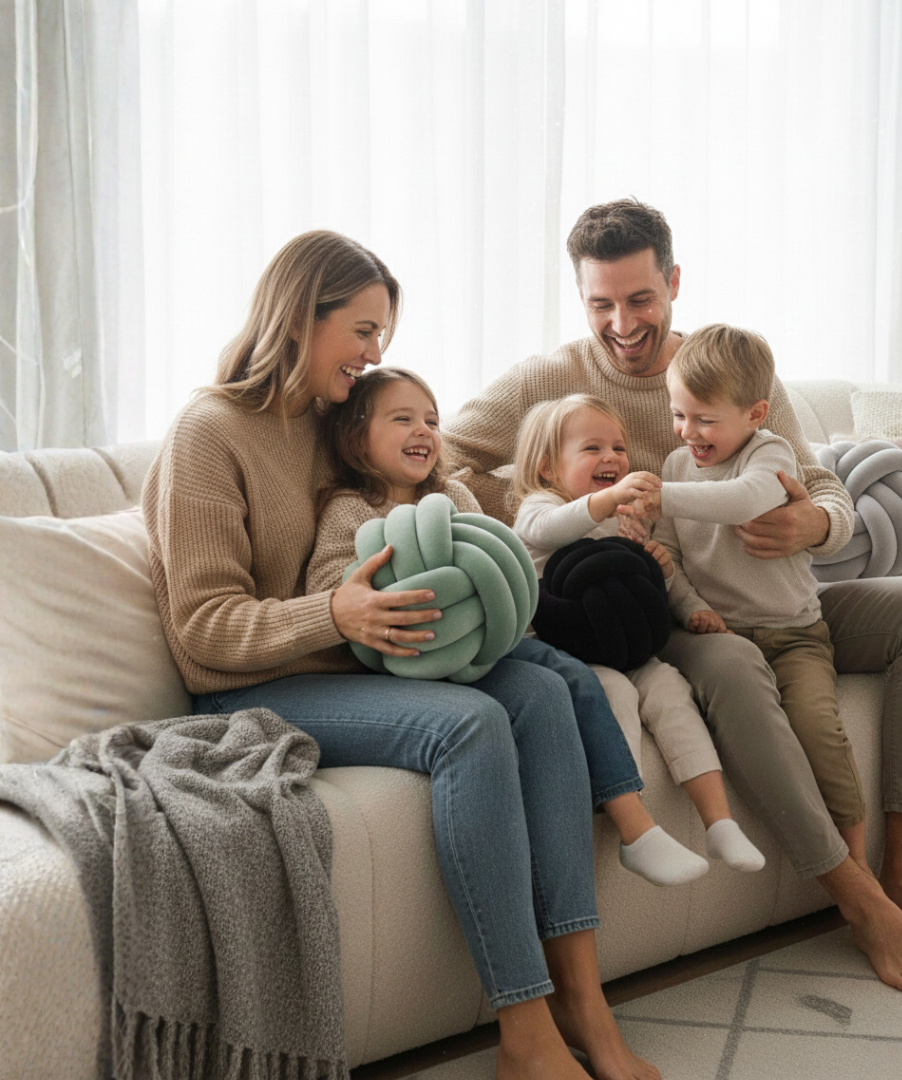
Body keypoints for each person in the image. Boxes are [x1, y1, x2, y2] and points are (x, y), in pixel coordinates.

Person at [442, 199, 902, 996]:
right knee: (735, 663)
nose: (621, 323)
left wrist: (815, 524)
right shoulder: (549, 378)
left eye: (639, 299)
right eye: (600, 303)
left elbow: (817, 483)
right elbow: (443, 457)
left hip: (785, 600)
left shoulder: (729, 369)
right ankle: (859, 900)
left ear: (673, 282)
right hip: (679, 612)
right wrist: (529, 545)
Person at [142, 230, 661, 1080]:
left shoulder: (331, 423)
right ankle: (525, 1031)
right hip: (248, 687)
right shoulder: (210, 432)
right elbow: (202, 629)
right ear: (299, 317)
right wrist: (333, 610)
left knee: (543, 694)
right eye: (363, 331)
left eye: (383, 334)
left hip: (354, 667)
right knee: (471, 725)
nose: (375, 353)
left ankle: (586, 1004)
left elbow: (431, 480)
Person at [306, 366, 705, 888]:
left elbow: (502, 567)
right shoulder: (348, 509)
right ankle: (634, 828)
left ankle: (635, 829)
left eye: (431, 419)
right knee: (574, 681)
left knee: (575, 681)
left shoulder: (453, 496)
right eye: (403, 418)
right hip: (408, 655)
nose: (423, 429)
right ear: (357, 437)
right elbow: (326, 593)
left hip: (487, 643)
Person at [512, 393, 766, 875]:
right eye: (592, 449)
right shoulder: (539, 506)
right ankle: (633, 822)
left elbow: (647, 587)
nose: (611, 458)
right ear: (547, 467)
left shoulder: (626, 519)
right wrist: (605, 500)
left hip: (625, 644)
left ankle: (719, 822)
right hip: (564, 652)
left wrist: (685, 599)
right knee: (615, 693)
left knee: (671, 688)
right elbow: (547, 529)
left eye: (619, 448)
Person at [650, 325, 867, 872]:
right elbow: (669, 557)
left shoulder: (771, 456)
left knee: (821, 734)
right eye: (679, 415)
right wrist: (689, 606)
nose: (687, 431)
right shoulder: (676, 468)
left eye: (704, 419)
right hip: (724, 636)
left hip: (794, 636)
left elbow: (739, 500)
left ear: (755, 413)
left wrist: (658, 494)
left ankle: (858, 865)